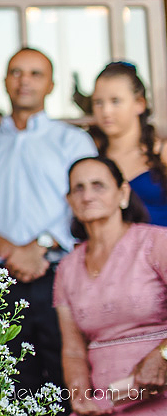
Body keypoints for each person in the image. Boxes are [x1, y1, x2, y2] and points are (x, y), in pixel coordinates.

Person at [0, 47, 97, 395]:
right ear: (5, 81)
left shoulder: (73, 142)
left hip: (60, 276)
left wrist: (40, 245)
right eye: (17, 72)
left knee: (68, 381)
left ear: (51, 85)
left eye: (35, 73)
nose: (25, 81)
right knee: (6, 386)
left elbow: (87, 202)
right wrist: (10, 249)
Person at [55, 156, 167, 414]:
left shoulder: (156, 243)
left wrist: (163, 355)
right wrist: (81, 398)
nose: (87, 196)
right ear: (69, 201)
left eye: (98, 185)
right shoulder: (66, 268)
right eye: (78, 188)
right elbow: (73, 351)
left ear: (123, 193)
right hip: (105, 403)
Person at [92, 61, 167, 226]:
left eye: (115, 101)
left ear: (139, 104)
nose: (106, 111)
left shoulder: (161, 152)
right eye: (98, 102)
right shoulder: (92, 155)